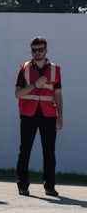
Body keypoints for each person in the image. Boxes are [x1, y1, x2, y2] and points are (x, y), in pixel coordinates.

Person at [15, 35, 63, 197]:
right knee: (25, 151)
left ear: (46, 50)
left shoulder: (55, 69)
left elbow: (58, 94)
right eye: (34, 50)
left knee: (49, 152)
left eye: (40, 50)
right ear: (31, 51)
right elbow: (18, 93)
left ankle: (49, 186)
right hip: (28, 114)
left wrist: (60, 116)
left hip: (48, 114)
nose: (37, 53)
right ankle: (23, 185)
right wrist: (35, 84)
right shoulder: (24, 68)